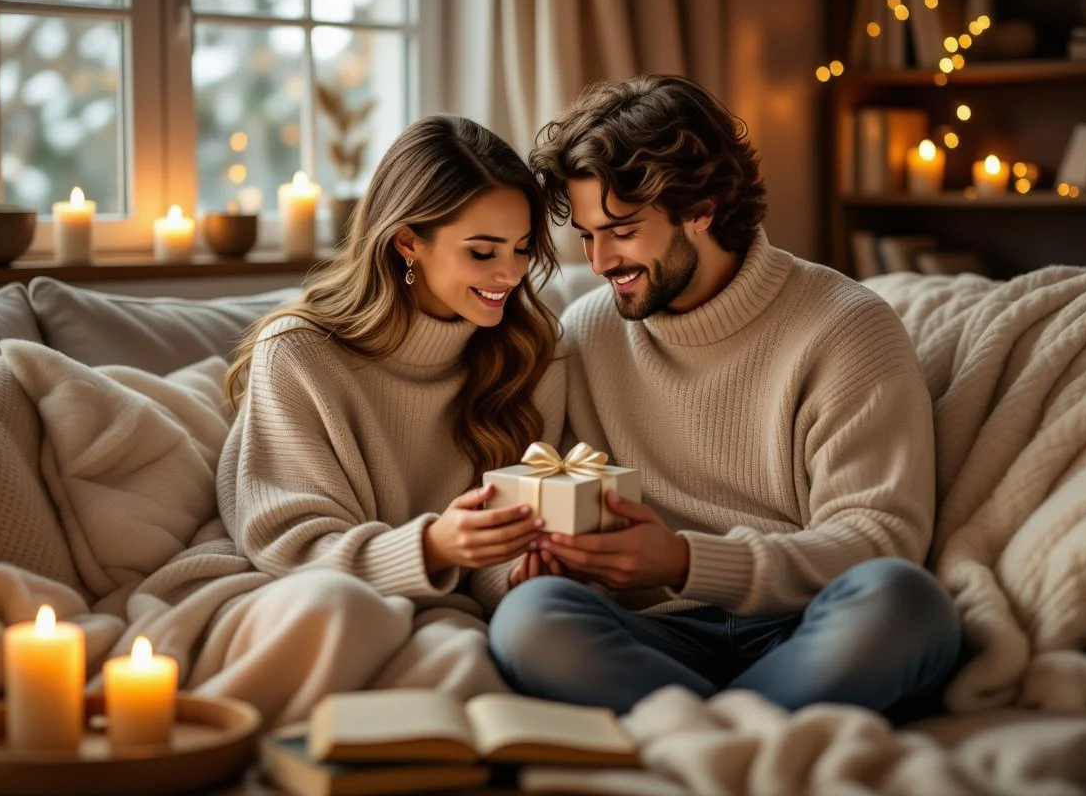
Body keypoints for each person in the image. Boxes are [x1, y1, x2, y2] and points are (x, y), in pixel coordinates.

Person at [488, 75, 961, 718]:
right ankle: (753, 740)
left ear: (702, 207)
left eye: (622, 231)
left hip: (802, 626)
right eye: (589, 234)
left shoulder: (848, 328)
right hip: (654, 636)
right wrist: (532, 568)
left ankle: (698, 739)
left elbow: (880, 540)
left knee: (906, 603)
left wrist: (686, 560)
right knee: (529, 618)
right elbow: (521, 500)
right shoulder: (583, 334)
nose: (598, 262)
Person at [218, 114, 565, 696]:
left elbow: (496, 562)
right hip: (318, 588)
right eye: (482, 252)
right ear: (408, 241)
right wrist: (432, 547)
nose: (510, 274)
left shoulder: (530, 356)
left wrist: (519, 571)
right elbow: (288, 544)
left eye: (523, 249)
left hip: (465, 616)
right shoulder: (301, 353)